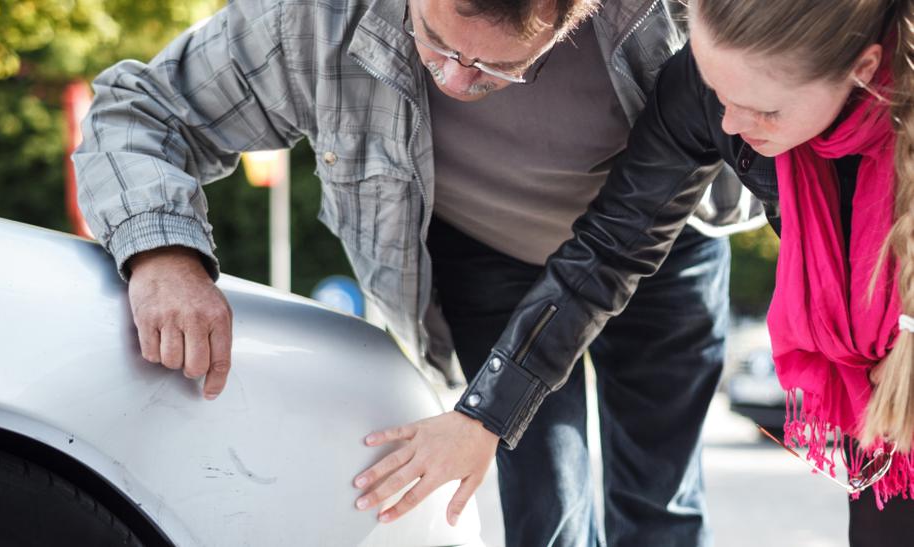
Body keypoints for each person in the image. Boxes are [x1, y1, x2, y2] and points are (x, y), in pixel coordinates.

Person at [73, 0, 761, 545]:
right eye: (439, 42)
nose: (458, 81)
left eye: (498, 69)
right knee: (541, 504)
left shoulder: (661, 13)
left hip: (658, 246)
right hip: (489, 257)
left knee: (660, 501)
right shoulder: (314, 17)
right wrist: (163, 253)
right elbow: (137, 110)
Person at [355, 0, 914, 544]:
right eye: (719, 91)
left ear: (862, 71)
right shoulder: (703, 92)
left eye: (766, 110)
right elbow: (609, 249)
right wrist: (485, 415)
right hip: (882, 390)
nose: (731, 124)